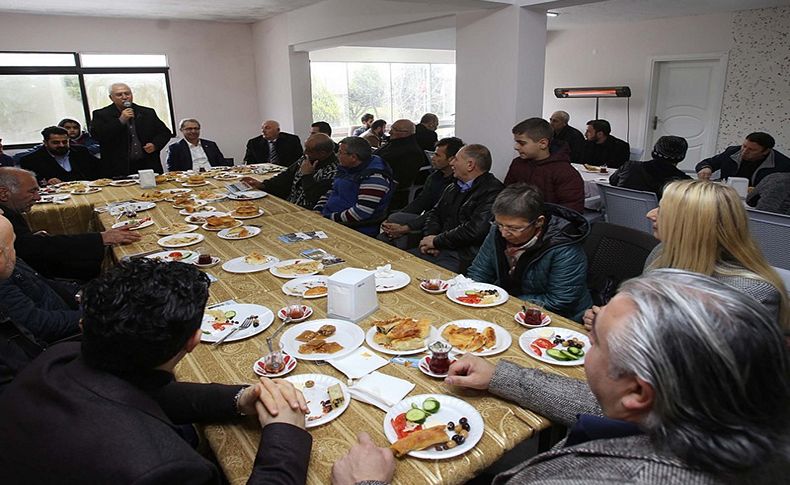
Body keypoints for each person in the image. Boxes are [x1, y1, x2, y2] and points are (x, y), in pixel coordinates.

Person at [338, 269, 790, 484]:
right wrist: (502, 376)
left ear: (636, 391)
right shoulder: (713, 409)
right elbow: (606, 405)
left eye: (596, 342)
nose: (585, 345)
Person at [0, 259, 313, 483]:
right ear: (194, 341)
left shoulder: (57, 359)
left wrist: (239, 398)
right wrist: (285, 434)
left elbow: (137, 390)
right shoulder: (164, 468)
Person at [584, 179, 788, 331]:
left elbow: (717, 370)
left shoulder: (750, 294)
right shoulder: (662, 253)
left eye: (662, 210)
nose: (650, 214)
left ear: (692, 225)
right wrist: (611, 319)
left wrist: (620, 330)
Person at [466, 184, 592, 321]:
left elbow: (560, 300)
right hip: (511, 306)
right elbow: (479, 272)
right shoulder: (497, 231)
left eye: (514, 228)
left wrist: (503, 299)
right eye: (499, 224)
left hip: (558, 318)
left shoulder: (564, 246)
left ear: (539, 222)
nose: (503, 233)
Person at [0, 167, 140, 281]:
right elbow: (33, 248)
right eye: (32, 191)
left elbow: (25, 243)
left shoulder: (9, 211)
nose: (38, 197)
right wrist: (102, 238)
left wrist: (29, 239)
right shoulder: (3, 217)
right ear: (3, 194)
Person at [410, 144, 503, 273]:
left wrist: (437, 241)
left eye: (456, 159)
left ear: (470, 165)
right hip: (441, 246)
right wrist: (431, 237)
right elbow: (435, 214)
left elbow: (474, 231)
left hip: (463, 256)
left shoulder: (493, 192)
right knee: (403, 264)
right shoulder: (453, 187)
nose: (452, 162)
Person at [0, 214, 81, 344]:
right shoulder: (3, 281)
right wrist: (89, 316)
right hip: (63, 341)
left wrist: (82, 294)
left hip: (67, 312)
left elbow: (44, 283)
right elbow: (40, 324)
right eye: (13, 245)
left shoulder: (10, 266)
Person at [378, 137, 461, 249]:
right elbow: (420, 202)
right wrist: (395, 219)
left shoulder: (457, 183)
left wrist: (407, 227)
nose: (432, 158)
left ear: (451, 159)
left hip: (440, 223)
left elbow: (439, 212)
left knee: (394, 236)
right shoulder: (435, 177)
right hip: (428, 218)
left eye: (437, 155)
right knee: (392, 221)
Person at [314, 136, 394, 236]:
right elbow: (332, 191)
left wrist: (327, 218)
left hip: (352, 227)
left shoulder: (374, 177)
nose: (336, 155)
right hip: (330, 219)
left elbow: (361, 212)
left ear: (353, 157)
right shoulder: (347, 168)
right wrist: (318, 210)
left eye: (340, 152)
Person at [91, 83, 173, 177]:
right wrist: (120, 120)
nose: (124, 97)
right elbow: (97, 135)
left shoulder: (147, 112)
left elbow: (165, 133)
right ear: (111, 98)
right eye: (119, 94)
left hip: (147, 165)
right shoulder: (101, 115)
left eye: (127, 93)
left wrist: (155, 144)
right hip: (118, 168)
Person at [504, 118, 584, 213]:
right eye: (516, 142)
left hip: (550, 225)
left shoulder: (565, 172)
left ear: (543, 143)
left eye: (522, 143)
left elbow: (571, 211)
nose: (516, 147)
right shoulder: (518, 163)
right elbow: (507, 195)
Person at [242, 133, 338, 209]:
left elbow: (315, 198)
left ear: (322, 153)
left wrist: (307, 175)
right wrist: (263, 184)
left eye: (309, 150)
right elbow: (287, 176)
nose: (305, 152)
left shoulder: (333, 170)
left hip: (307, 210)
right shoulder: (307, 158)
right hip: (291, 203)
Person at [608, 135, 690, 199]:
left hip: (618, 216)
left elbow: (612, 181)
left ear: (654, 150)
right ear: (682, 157)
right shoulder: (685, 182)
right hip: (656, 219)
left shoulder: (630, 167)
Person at [696, 132, 790, 186]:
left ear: (766, 151)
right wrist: (706, 168)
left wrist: (757, 190)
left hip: (757, 203)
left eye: (752, 150)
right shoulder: (732, 152)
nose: (744, 151)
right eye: (744, 146)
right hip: (726, 195)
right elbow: (708, 162)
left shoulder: (783, 165)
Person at [374, 119, 427, 211]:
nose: (390, 132)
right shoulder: (394, 144)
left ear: (405, 133)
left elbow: (400, 181)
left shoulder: (412, 153)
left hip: (388, 193)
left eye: (394, 129)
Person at [19, 126, 98, 184]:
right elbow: (31, 184)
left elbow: (98, 169)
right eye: (56, 142)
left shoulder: (81, 151)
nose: (61, 145)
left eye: (65, 142)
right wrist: (47, 182)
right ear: (45, 143)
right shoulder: (30, 160)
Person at [166, 118, 230, 172]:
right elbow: (172, 170)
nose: (193, 131)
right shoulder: (175, 148)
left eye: (196, 128)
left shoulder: (211, 145)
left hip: (213, 175)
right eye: (189, 129)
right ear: (181, 130)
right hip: (190, 179)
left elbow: (222, 163)